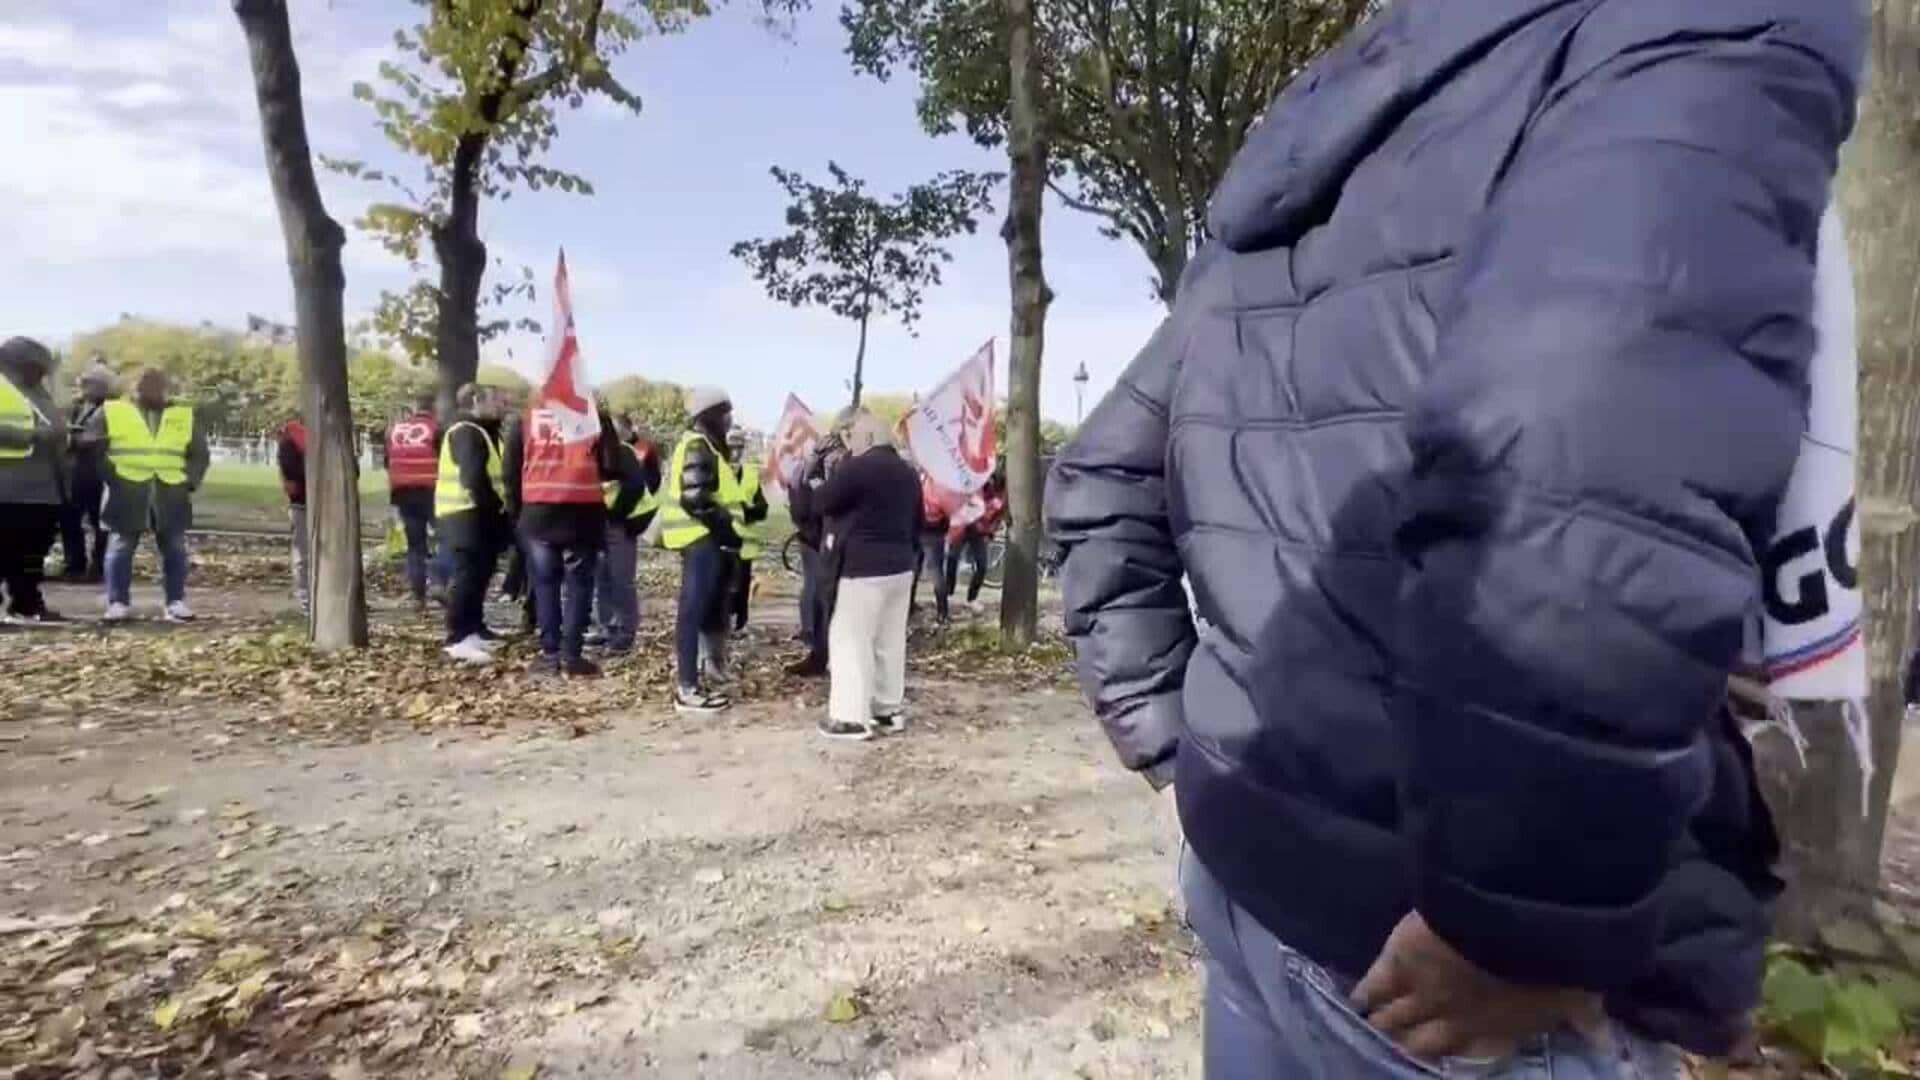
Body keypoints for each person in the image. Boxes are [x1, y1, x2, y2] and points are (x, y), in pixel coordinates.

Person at [1046, 3, 1863, 1076]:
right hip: (1439, 976)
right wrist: (1516, 923)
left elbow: (1098, 480)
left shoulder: (1301, 162)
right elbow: (1574, 474)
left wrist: (1181, 760)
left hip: (1255, 881)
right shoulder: (1686, 29)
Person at [815, 410, 919, 741]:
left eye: (855, 437)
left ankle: (850, 717)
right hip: (901, 566)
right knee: (889, 641)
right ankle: (888, 709)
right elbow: (921, 517)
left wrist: (812, 481)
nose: (851, 444)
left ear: (870, 438)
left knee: (850, 639)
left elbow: (822, 502)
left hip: (863, 568)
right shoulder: (908, 472)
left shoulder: (858, 468)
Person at [504, 389, 620, 679]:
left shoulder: (526, 418)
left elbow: (510, 472)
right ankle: (572, 656)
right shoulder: (593, 416)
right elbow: (611, 465)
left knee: (545, 585)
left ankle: (550, 654)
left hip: (538, 513)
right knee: (579, 586)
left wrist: (519, 515)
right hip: (582, 513)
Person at [92, 367, 207, 624]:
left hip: (170, 491)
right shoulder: (112, 411)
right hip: (127, 489)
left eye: (157, 385)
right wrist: (113, 478)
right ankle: (117, 603)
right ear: (133, 387)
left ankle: (175, 602)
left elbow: (199, 453)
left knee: (175, 548)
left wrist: (189, 481)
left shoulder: (183, 414)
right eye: (144, 385)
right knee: (121, 546)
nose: (151, 391)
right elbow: (95, 449)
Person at [660, 386, 743, 713]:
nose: (729, 420)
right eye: (725, 414)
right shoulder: (697, 445)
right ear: (710, 416)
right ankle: (687, 689)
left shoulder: (705, 445)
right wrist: (726, 531)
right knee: (691, 613)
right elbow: (696, 498)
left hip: (705, 540)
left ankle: (696, 679)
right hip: (700, 540)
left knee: (703, 611)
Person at [436, 383, 510, 665]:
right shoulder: (466, 431)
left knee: (480, 574)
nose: (499, 406)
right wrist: (495, 506)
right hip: (466, 514)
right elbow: (474, 478)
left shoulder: (476, 430)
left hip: (473, 514)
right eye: (494, 400)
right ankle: (457, 637)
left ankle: (474, 628)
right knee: (468, 576)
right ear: (476, 400)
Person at [0, 337, 70, 624]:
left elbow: (54, 428)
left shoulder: (40, 394)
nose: (40, 374)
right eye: (35, 367)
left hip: (43, 489)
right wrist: (34, 436)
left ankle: (26, 604)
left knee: (32, 553)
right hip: (6, 488)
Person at [594, 416, 661, 655]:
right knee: (601, 578)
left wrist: (614, 515)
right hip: (599, 524)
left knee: (621, 579)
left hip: (621, 523)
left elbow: (634, 486)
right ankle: (607, 627)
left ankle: (625, 630)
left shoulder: (622, 452)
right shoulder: (588, 452)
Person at [783, 425, 837, 677]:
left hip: (815, 539)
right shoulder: (815, 471)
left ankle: (818, 649)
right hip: (819, 541)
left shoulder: (804, 468)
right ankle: (818, 649)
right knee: (821, 594)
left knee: (817, 593)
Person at [385, 392, 442, 611]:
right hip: (432, 491)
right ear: (433, 409)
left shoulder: (396, 431)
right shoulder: (436, 429)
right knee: (441, 540)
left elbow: (388, 461)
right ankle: (438, 583)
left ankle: (418, 595)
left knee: (415, 545)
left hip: (403, 492)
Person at [60, 361, 112, 583]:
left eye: (87, 383)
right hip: (74, 474)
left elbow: (96, 440)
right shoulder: (75, 407)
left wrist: (68, 438)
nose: (81, 386)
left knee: (100, 524)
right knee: (70, 521)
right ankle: (74, 565)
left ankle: (98, 567)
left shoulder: (108, 410)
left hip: (98, 474)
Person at [941, 469, 1004, 614]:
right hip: (963, 527)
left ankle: (972, 597)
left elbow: (996, 518)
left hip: (978, 532)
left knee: (982, 565)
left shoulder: (997, 498)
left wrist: (990, 532)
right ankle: (949, 591)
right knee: (952, 558)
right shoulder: (972, 487)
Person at [726, 428, 769, 633]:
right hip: (723, 541)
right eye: (732, 447)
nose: (735, 452)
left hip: (745, 544)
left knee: (742, 586)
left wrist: (748, 511)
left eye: (739, 448)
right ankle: (722, 624)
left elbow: (762, 508)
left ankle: (740, 624)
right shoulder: (719, 470)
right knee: (723, 587)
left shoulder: (750, 474)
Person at [276, 410, 309, 616]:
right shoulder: (290, 441)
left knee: (308, 553)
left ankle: (314, 596)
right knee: (304, 554)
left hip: (318, 502)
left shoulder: (330, 437)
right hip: (303, 503)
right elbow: (291, 472)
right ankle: (306, 598)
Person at [907, 493, 950, 624]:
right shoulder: (942, 487)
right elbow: (948, 512)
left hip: (917, 532)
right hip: (934, 534)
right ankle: (943, 613)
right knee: (936, 572)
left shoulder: (919, 483)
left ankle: (909, 607)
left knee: (913, 570)